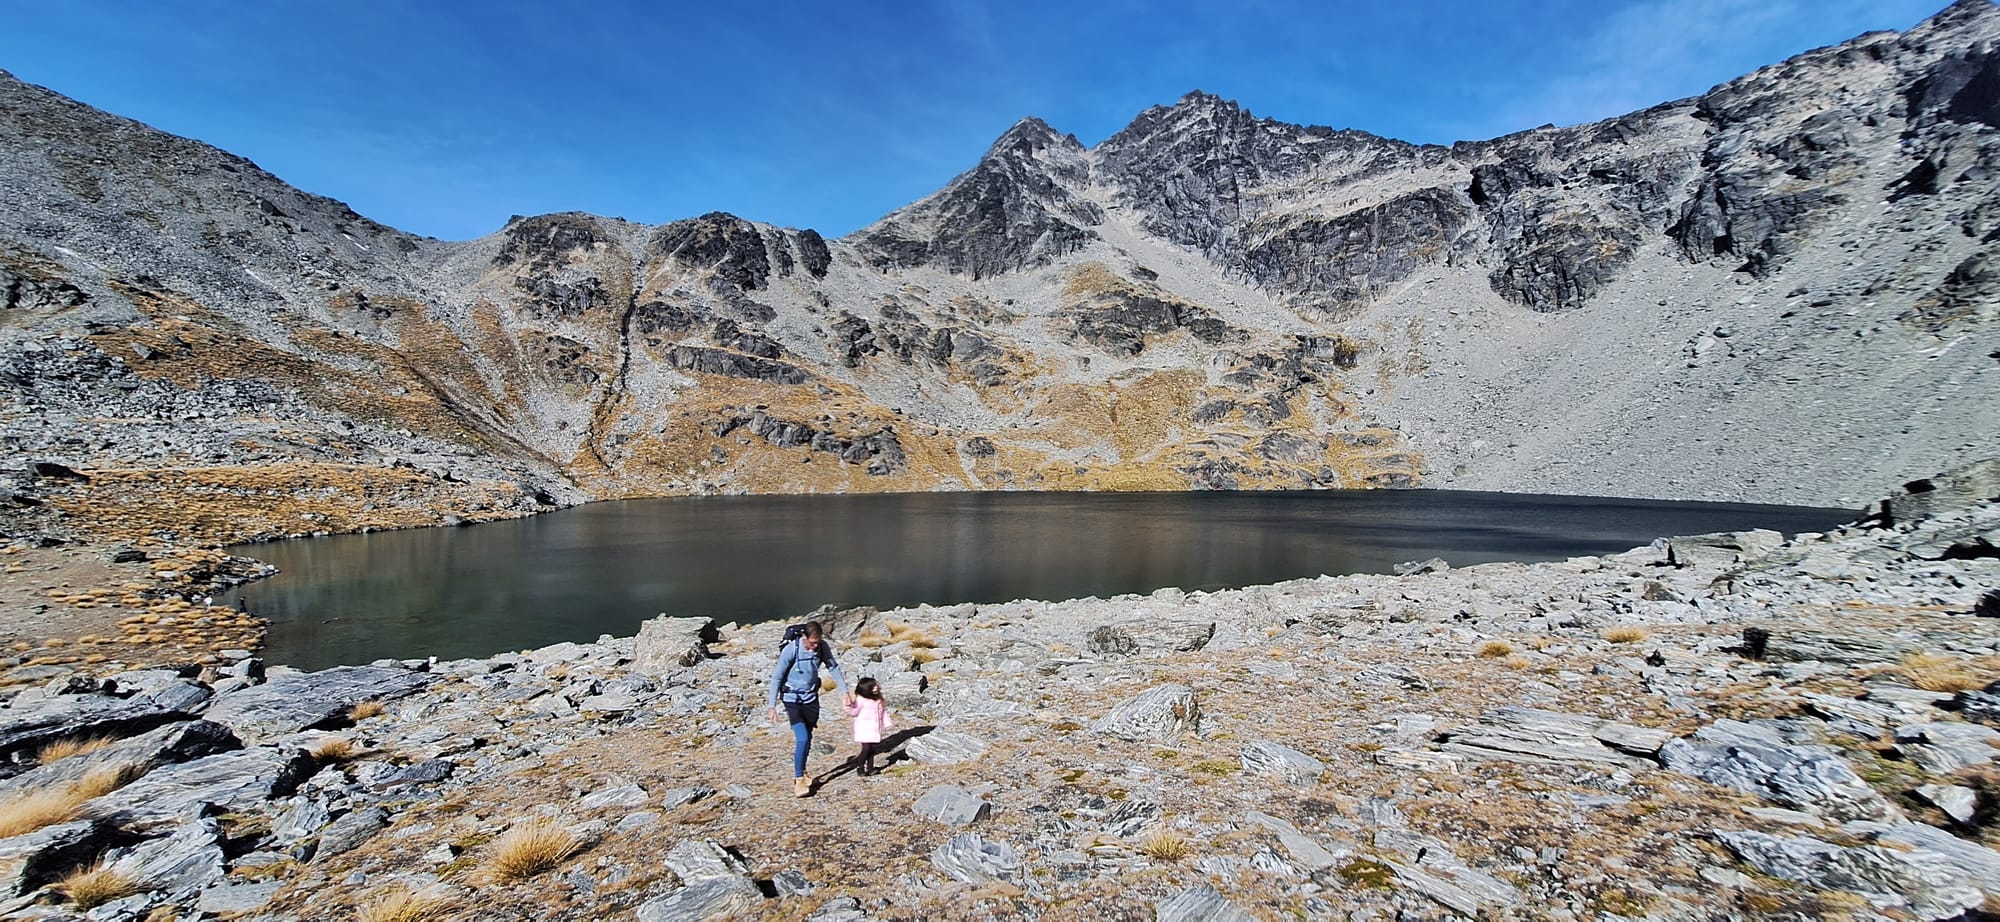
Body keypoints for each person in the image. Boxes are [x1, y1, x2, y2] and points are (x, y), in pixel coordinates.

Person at [767, 621, 852, 797]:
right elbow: (777, 677)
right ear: (804, 637)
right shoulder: (791, 649)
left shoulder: (822, 647)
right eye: (812, 643)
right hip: (792, 699)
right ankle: (798, 780)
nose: (814, 647)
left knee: (808, 736)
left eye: (817, 643)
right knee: (802, 738)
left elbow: (833, 667)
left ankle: (803, 771)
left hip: (811, 698)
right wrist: (772, 706)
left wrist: (845, 692)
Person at [844, 676, 893, 776]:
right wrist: (848, 706)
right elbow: (854, 712)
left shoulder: (878, 700)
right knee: (866, 748)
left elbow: (883, 712)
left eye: (876, 686)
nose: (876, 688)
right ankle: (860, 767)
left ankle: (870, 768)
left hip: (875, 729)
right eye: (872, 687)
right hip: (864, 729)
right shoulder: (861, 700)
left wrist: (888, 723)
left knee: (872, 749)